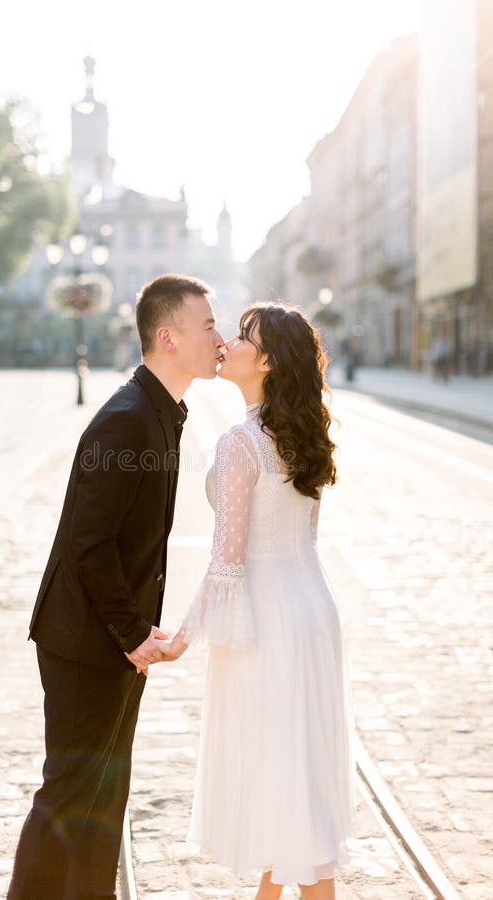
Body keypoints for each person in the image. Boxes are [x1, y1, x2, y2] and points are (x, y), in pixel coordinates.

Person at [7, 274, 225, 900]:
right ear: (168, 337)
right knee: (70, 795)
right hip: (85, 643)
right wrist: (132, 633)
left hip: (111, 640)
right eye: (207, 325)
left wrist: (133, 633)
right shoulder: (127, 422)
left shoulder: (160, 412)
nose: (218, 336)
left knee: (103, 799)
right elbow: (89, 543)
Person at [160, 302, 358, 900]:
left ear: (267, 361)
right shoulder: (302, 435)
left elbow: (227, 565)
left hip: (267, 624)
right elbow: (305, 537)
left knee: (282, 782)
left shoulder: (243, 444)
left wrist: (179, 638)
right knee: (297, 787)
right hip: (312, 610)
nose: (227, 343)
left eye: (242, 337)